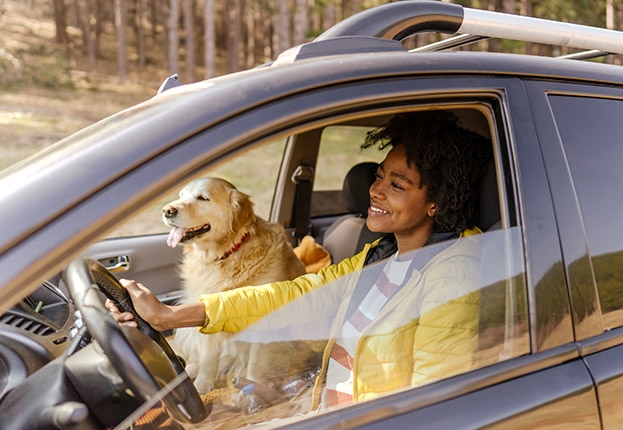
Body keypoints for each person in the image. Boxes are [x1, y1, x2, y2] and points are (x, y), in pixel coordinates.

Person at [109, 110, 494, 412]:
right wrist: (171, 316)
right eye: (379, 176)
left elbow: (435, 405)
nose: (375, 190)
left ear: (437, 203)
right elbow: (291, 295)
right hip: (323, 403)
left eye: (397, 184)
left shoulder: (453, 276)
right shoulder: (381, 255)